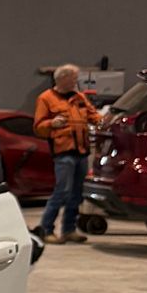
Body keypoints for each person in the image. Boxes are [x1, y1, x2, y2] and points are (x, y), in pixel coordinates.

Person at [31, 63, 102, 243]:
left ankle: (69, 229)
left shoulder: (79, 98)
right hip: (63, 153)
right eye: (73, 79)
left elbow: (95, 117)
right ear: (62, 79)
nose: (76, 82)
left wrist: (109, 120)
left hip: (81, 152)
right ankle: (46, 230)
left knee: (77, 193)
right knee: (62, 191)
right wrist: (51, 124)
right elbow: (38, 128)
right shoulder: (46, 99)